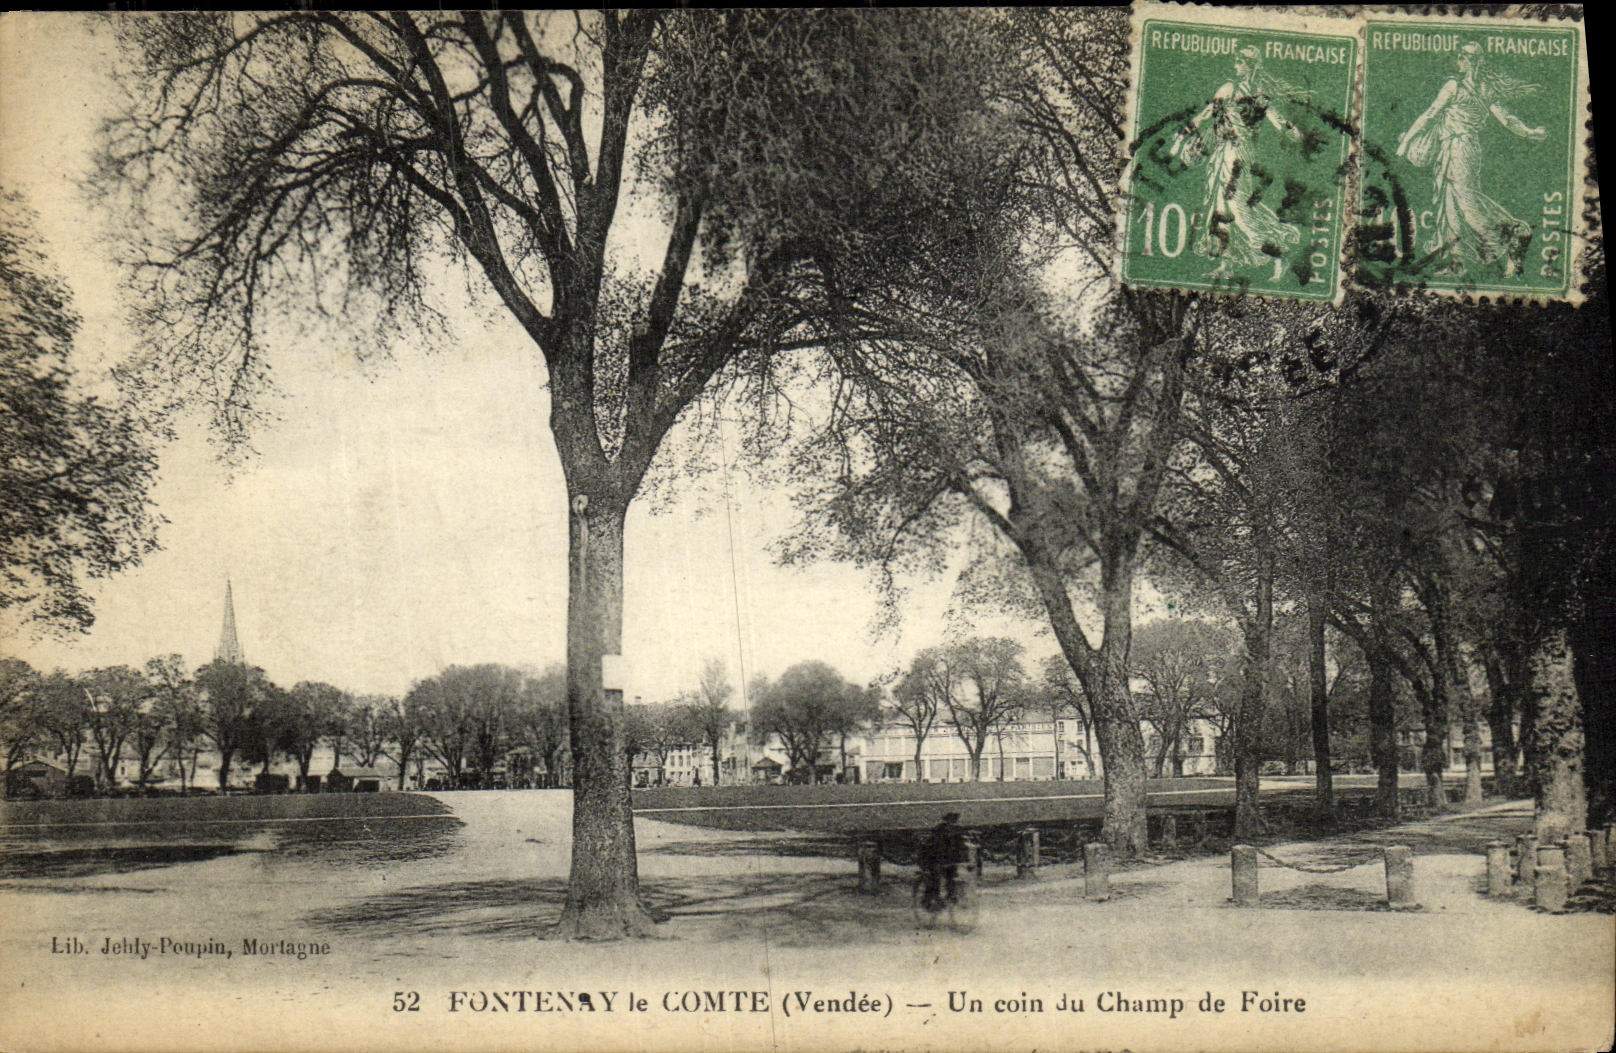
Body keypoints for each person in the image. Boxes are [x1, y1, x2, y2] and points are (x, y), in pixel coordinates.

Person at [1396, 43, 1544, 278]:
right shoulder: (1486, 90)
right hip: (1463, 149)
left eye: (1462, 57)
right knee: (1450, 203)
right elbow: (1507, 119)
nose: (1458, 60)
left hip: (1458, 148)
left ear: (1471, 61)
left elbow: (1431, 114)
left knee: (1467, 204)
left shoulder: (1454, 86)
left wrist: (1406, 142)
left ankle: (1512, 234)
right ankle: (1455, 261)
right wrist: (1529, 132)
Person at [1171, 46, 1307, 282]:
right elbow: (1207, 114)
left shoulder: (1257, 94)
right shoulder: (1231, 89)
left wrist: (1297, 135)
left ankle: (1280, 254)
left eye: (1239, 61)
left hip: (1239, 155)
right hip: (1224, 152)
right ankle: (1228, 264)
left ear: (1249, 65)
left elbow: (1278, 121)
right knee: (1219, 206)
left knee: (1238, 208)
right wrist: (1186, 131)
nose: (1235, 66)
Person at [919, 811, 967, 910]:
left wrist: (963, 859)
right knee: (935, 877)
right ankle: (931, 899)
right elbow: (934, 846)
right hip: (934, 859)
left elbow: (961, 846)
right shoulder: (939, 830)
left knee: (952, 875)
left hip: (947, 860)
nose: (953, 822)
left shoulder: (956, 831)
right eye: (951, 820)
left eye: (954, 820)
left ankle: (951, 895)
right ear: (947, 820)